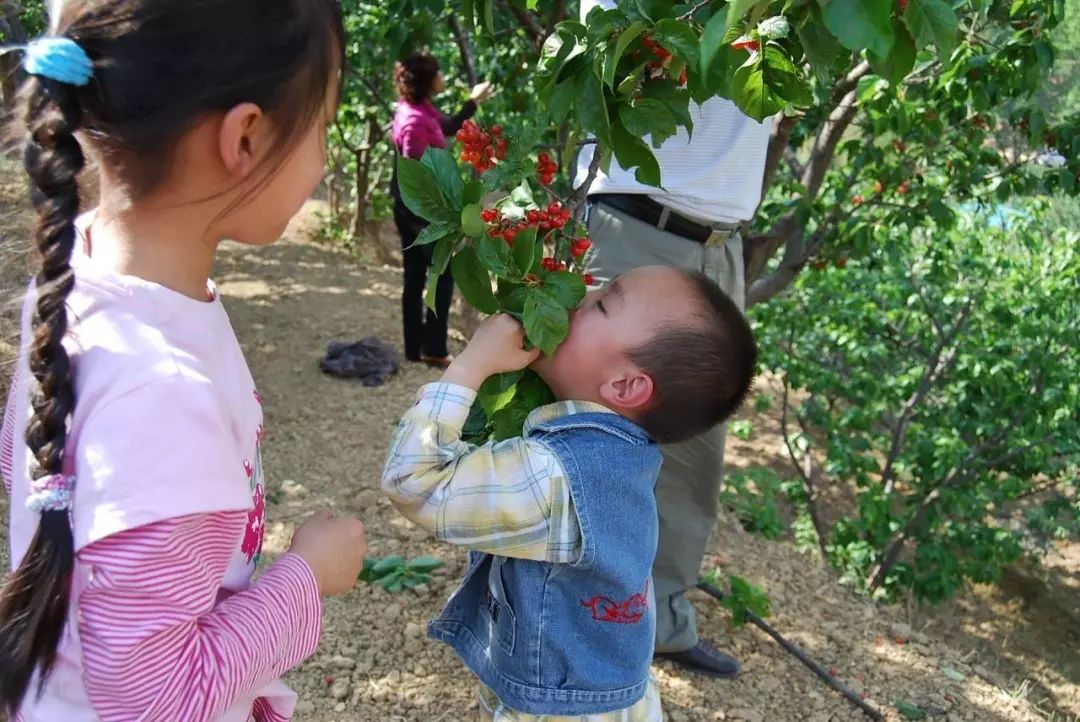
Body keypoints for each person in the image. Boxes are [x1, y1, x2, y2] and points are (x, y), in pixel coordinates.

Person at [0, 2, 368, 719]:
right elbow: (157, 697)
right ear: (247, 137)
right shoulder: (165, 392)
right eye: (322, 125)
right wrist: (305, 577)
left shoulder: (78, 264)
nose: (323, 157)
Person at [382, 266, 758, 721]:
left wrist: (471, 366)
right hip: (610, 696)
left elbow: (414, 482)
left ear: (624, 385)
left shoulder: (555, 475)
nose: (581, 292)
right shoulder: (623, 453)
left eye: (601, 303)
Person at [574, 0, 775, 678]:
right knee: (589, 433)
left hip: (720, 244)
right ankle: (549, 610)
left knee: (694, 451)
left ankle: (659, 620)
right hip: (637, 225)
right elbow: (612, 51)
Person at [391, 54, 493, 368]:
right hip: (419, 211)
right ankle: (432, 348)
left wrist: (472, 103)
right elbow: (416, 170)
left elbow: (446, 126)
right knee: (440, 275)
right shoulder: (414, 121)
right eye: (438, 72)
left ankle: (415, 349)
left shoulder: (419, 110)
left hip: (411, 207)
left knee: (417, 276)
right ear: (428, 80)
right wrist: (432, 214)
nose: (442, 76)